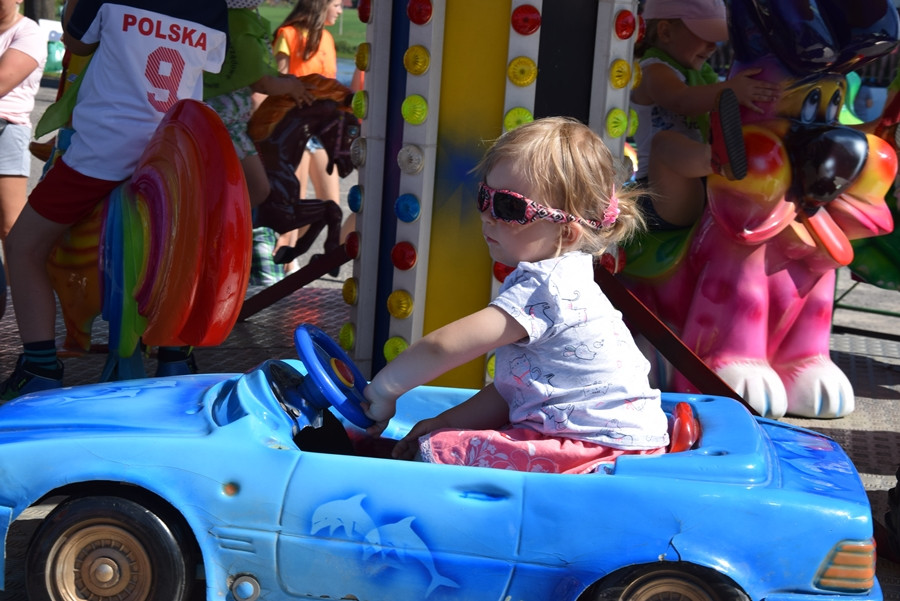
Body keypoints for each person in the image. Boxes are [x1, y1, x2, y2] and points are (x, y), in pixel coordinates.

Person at [362, 117, 670, 474]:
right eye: (484, 197)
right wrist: (447, 420)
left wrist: (383, 390)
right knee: (441, 439)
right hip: (615, 443)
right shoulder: (567, 278)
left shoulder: (545, 288)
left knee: (441, 454)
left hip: (598, 451)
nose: (488, 217)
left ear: (567, 234)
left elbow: (442, 347)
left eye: (509, 207)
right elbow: (514, 391)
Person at [0, 0, 228, 399]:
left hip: (105, 147)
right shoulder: (212, 4)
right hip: (172, 153)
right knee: (181, 254)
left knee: (23, 245)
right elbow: (212, 63)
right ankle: (175, 353)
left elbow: (76, 43)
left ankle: (40, 364)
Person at [630, 0, 779, 229]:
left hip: (704, 184)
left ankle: (733, 160)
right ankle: (720, 159)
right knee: (663, 143)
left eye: (716, 38)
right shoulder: (653, 70)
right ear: (666, 32)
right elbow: (681, 101)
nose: (713, 46)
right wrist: (731, 90)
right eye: (705, 35)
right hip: (660, 194)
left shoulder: (702, 75)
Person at [272, 0, 348, 270]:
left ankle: (308, 260)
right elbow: (278, 81)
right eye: (336, 4)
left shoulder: (327, 38)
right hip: (295, 128)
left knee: (331, 202)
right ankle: (281, 267)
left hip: (323, 130)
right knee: (294, 204)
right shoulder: (288, 35)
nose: (340, 11)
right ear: (321, 4)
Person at [0, 0, 46, 249]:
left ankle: (15, 288)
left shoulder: (29, 33)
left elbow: (2, 82)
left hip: (6, 129)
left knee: (10, 226)